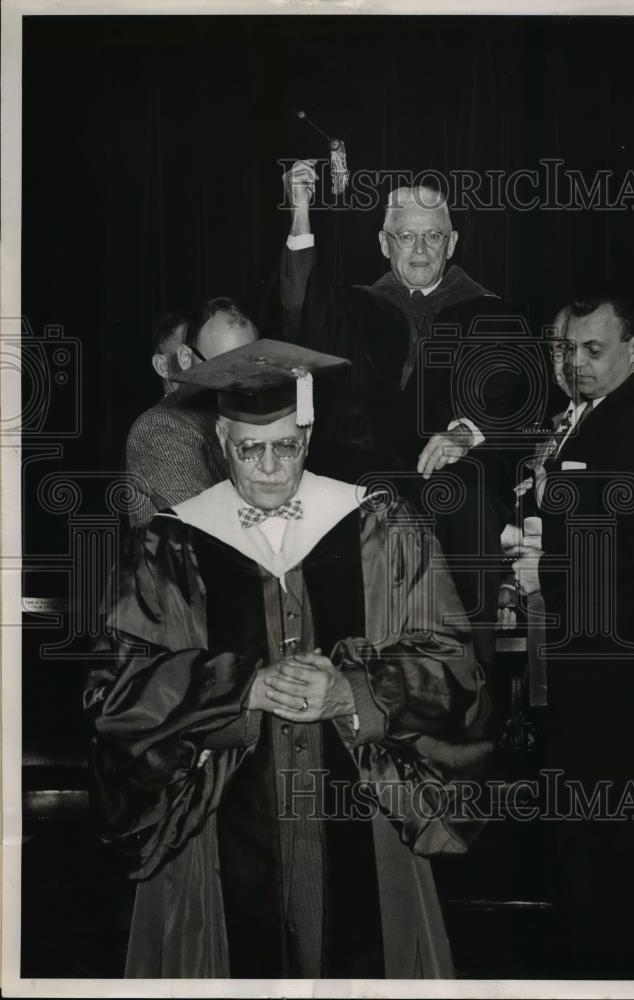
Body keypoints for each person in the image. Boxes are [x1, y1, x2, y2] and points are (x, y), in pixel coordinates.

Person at [85, 339, 492, 979]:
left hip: (362, 807)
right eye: (251, 449)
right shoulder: (171, 541)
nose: (272, 467)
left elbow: (455, 668)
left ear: (308, 433)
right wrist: (239, 689)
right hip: (216, 832)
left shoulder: (379, 525)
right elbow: (117, 692)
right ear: (221, 441)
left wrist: (355, 692)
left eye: (288, 446)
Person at [280, 161, 522, 696]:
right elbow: (304, 310)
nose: (419, 249)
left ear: (452, 242)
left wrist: (465, 433)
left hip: (451, 474)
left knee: (469, 495)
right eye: (406, 236)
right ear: (384, 243)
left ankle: (470, 686)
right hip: (365, 471)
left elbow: (510, 392)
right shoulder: (358, 307)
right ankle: (347, 685)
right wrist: (301, 210)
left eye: (432, 235)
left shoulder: (487, 310)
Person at [505, 294, 634, 976]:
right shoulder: (593, 418)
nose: (575, 363)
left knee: (602, 827)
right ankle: (595, 956)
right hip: (588, 652)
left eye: (593, 350)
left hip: (611, 659)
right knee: (587, 818)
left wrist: (545, 570)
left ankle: (607, 967)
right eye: (569, 350)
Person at [125, 297, 258, 526]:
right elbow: (211, 530)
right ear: (186, 358)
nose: (237, 381)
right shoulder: (160, 427)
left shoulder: (236, 416)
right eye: (223, 366)